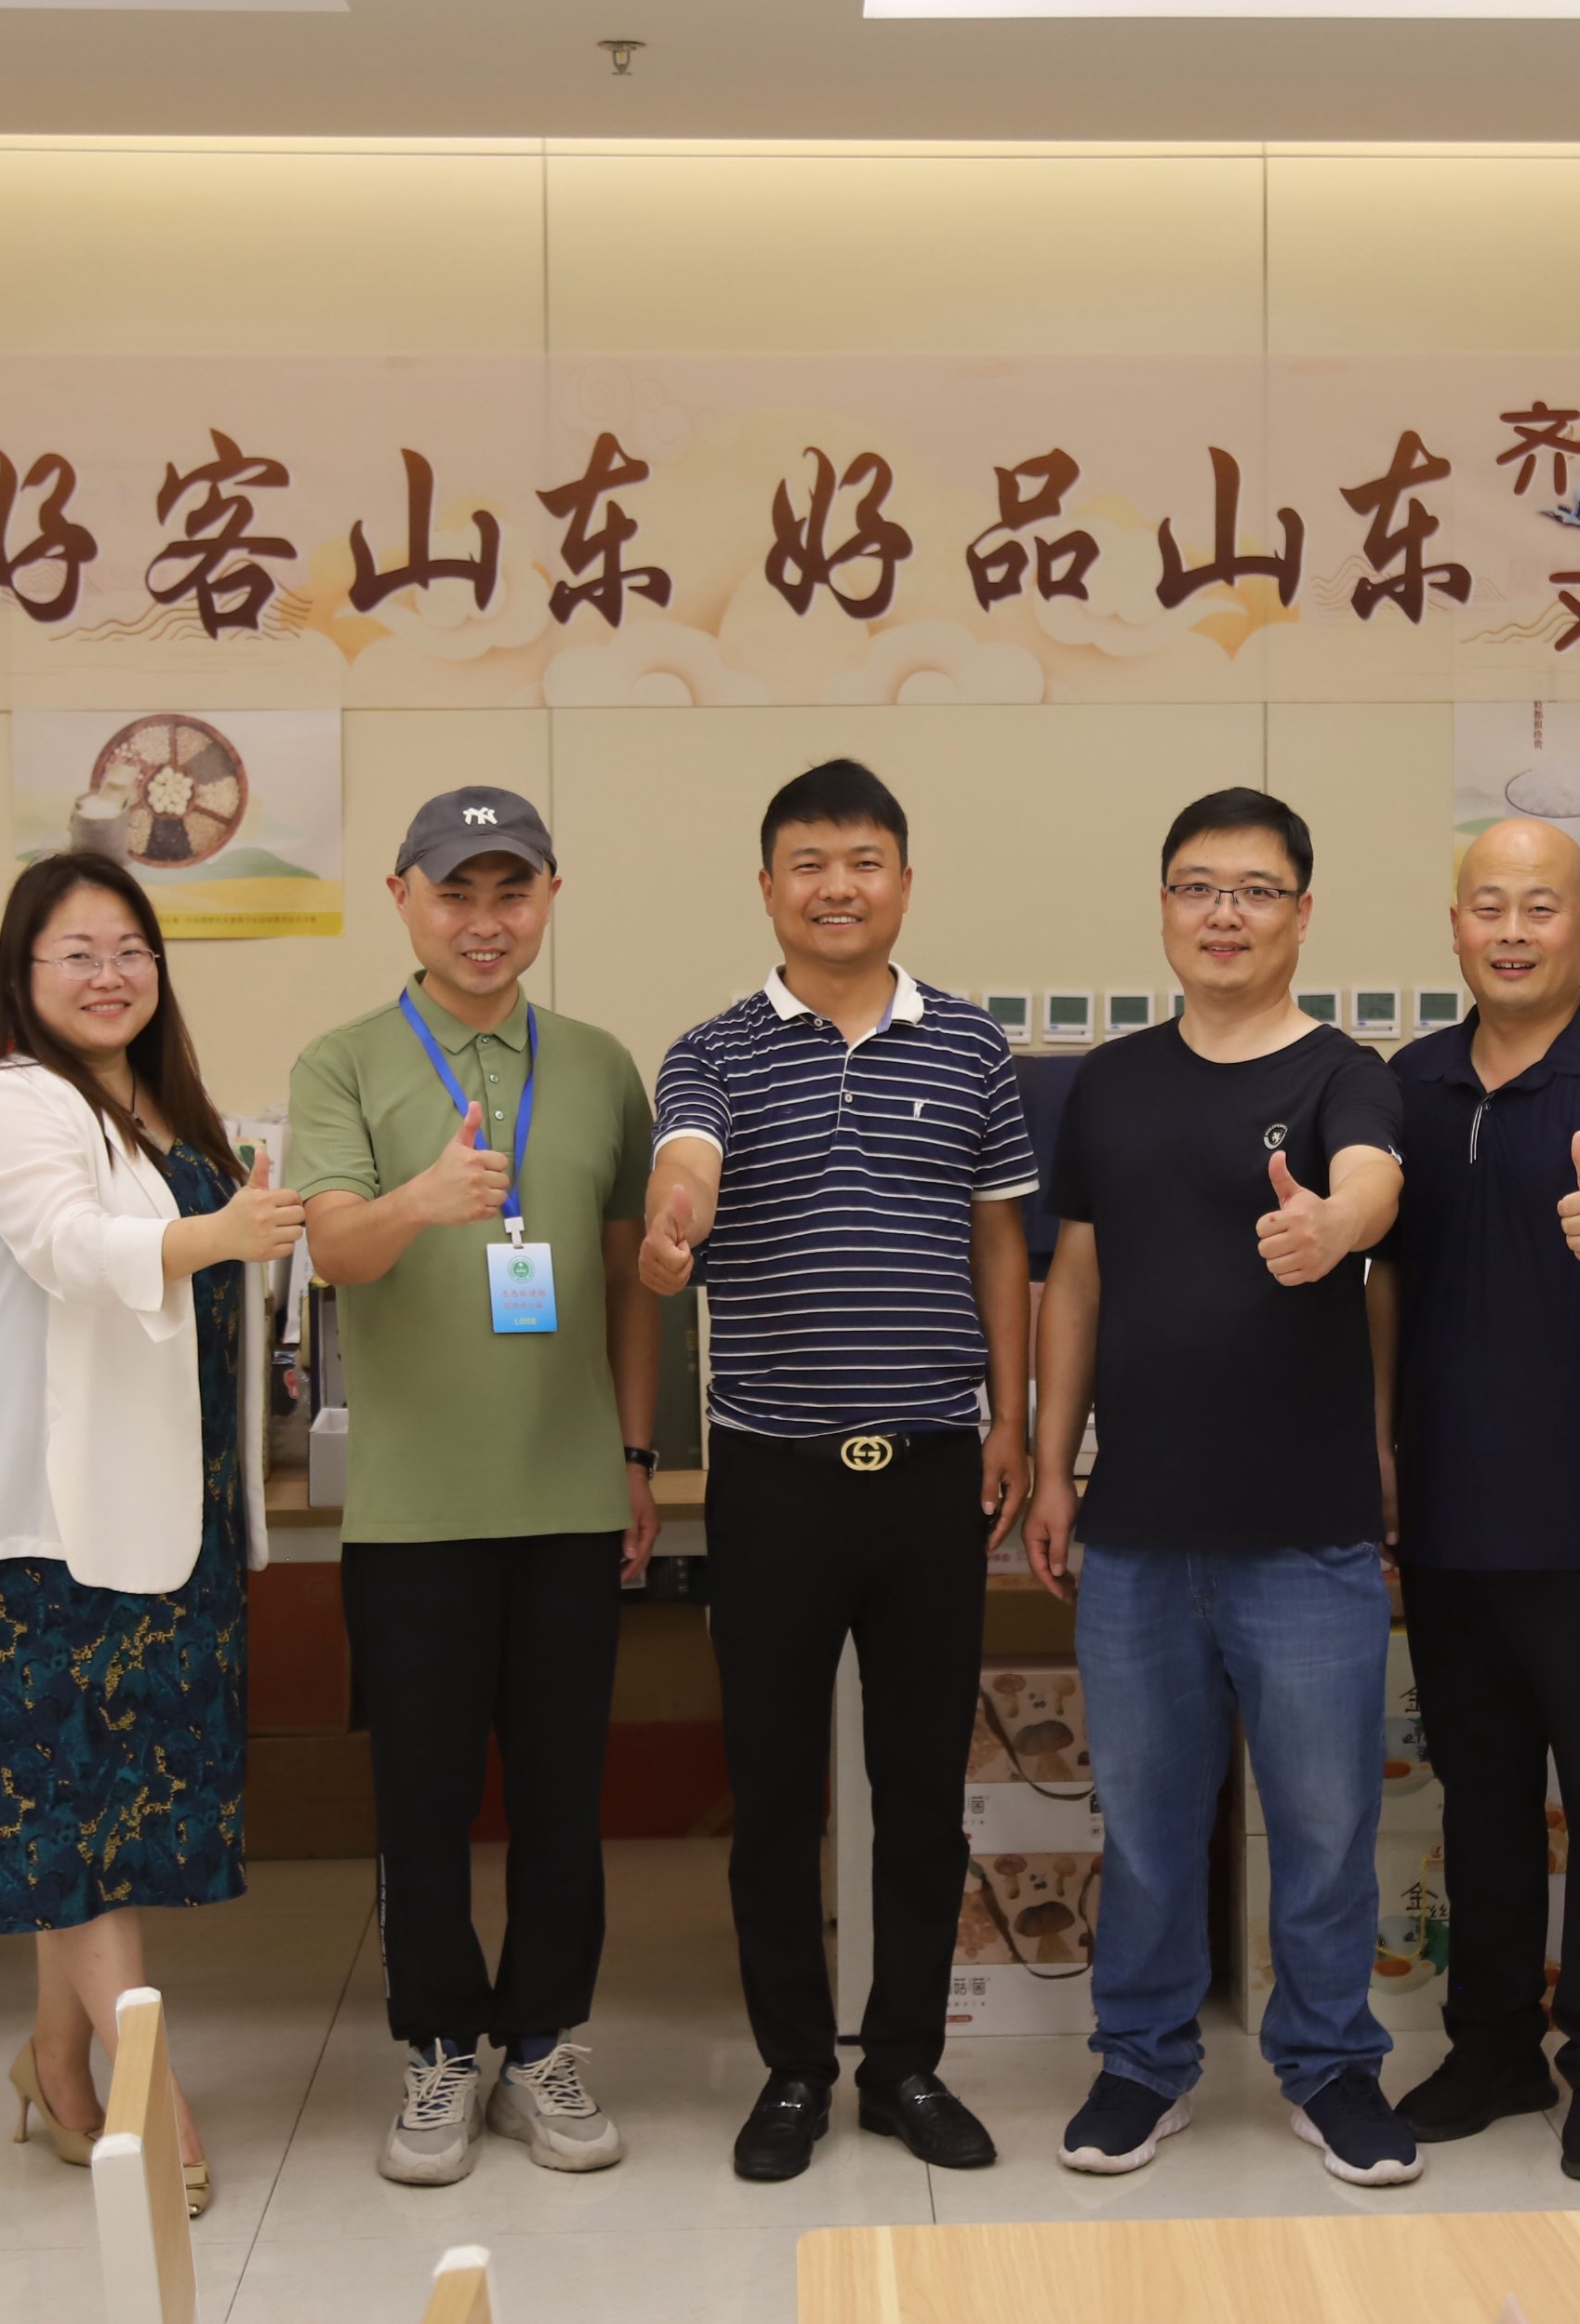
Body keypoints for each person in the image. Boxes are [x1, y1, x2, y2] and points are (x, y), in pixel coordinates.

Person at [639, 760, 1037, 2182]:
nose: (837, 886)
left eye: (863, 861)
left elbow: (1000, 1238)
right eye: (808, 862)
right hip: (775, 1478)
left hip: (933, 1471)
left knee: (922, 1794)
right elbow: (688, 1160)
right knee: (773, 1797)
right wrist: (674, 1223)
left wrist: (1012, 1418)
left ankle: (907, 2065)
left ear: (904, 884)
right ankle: (795, 2072)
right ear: (768, 888)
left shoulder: (971, 1047)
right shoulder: (713, 1050)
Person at [1025, 788, 1419, 2187]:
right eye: (1198, 886)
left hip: (1305, 1532)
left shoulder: (1343, 1074)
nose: (1225, 914)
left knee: (1323, 1825)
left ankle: (1331, 2065)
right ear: (1164, 907)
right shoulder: (1108, 1083)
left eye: (1255, 890)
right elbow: (1075, 1275)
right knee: (1144, 1825)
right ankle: (1142, 2063)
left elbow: (1372, 1183)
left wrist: (1334, 1224)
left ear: (1302, 914)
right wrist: (1054, 1461)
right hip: (1136, 1525)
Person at [290, 789, 660, 2187]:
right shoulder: (343, 1062)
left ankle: (544, 2042)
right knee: (423, 1800)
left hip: (568, 1496)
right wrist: (418, 1200)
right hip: (415, 1509)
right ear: (403, 898)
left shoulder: (601, 1065)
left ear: (550, 897)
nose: (484, 921)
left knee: (565, 1798)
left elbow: (628, 1281)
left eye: (512, 891)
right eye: (456, 892)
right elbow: (334, 1250)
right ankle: (439, 2047)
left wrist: (634, 1455)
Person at [0, 854, 306, 2220]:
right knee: (76, 1813)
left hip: (171, 1506)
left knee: (86, 1821)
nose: (110, 975)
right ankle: (154, 2106)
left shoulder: (166, 1106)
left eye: (131, 949)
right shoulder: (9, 1102)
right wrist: (219, 1233)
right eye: (77, 953)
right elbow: (72, 1247)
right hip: (52, 1520)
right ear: (22, 975)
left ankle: (53, 2062)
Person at [1368, 819, 1580, 2182]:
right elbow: (1388, 1275)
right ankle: (1493, 2045)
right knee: (1482, 1802)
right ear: (1454, 924)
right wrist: (1380, 1445)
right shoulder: (1407, 1083)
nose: (1513, 930)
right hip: (1451, 1513)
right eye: (1488, 905)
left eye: (1541, 906)